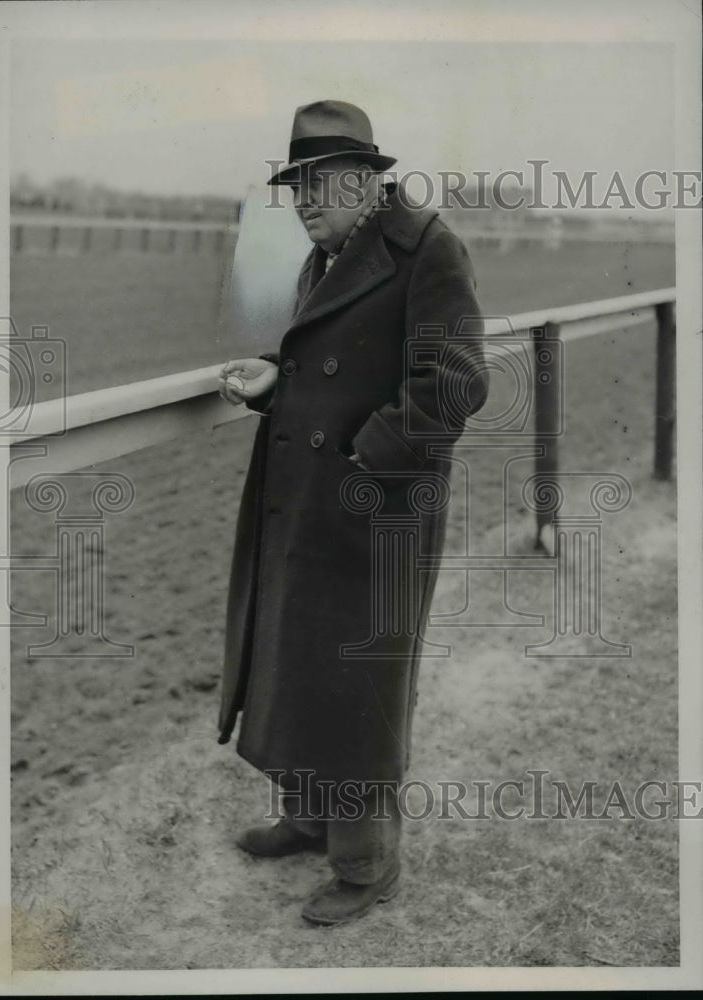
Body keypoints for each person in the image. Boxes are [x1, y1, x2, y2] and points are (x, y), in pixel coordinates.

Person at [217, 100, 489, 925]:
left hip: (377, 511)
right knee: (300, 663)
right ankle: (307, 818)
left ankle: (366, 863)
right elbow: (333, 362)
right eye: (295, 184)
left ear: (370, 181)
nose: (303, 199)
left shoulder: (426, 247)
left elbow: (454, 384)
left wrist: (363, 458)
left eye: (321, 181)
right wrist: (276, 377)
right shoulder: (332, 253)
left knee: (356, 684)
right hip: (314, 503)